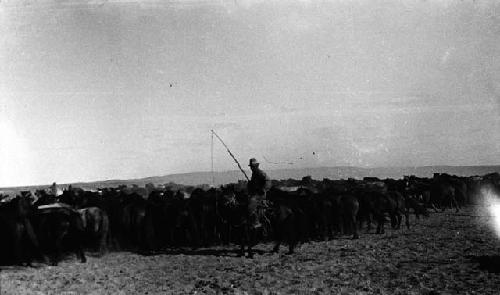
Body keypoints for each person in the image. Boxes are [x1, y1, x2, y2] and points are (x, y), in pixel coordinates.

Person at [247, 158, 271, 229]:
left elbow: (268, 181)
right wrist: (250, 185)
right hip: (254, 194)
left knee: (251, 202)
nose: (251, 168)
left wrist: (263, 189)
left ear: (256, 166)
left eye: (253, 166)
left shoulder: (261, 173)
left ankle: (256, 222)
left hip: (260, 195)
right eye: (251, 166)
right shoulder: (253, 175)